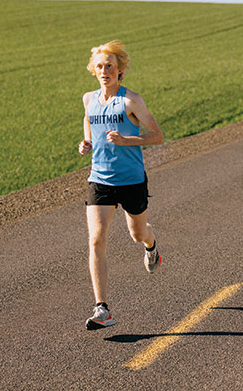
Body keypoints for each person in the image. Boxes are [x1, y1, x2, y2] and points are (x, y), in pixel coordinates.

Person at [78, 40, 164, 330]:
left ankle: (151, 247)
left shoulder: (131, 101)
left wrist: (128, 141)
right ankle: (102, 309)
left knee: (137, 232)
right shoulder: (89, 99)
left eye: (110, 66)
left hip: (131, 180)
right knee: (96, 239)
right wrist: (87, 142)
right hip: (99, 179)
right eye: (100, 66)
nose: (104, 71)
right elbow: (89, 122)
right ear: (94, 70)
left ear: (120, 71)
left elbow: (156, 135)